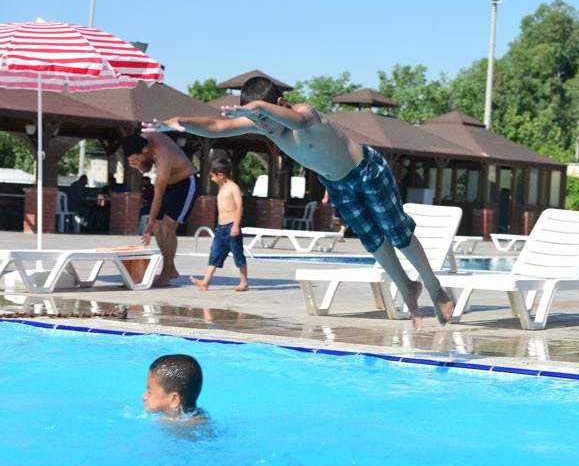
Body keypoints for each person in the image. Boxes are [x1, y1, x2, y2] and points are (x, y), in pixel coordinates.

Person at [143, 76, 453, 330]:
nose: (263, 126)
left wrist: (259, 107)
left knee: (396, 232)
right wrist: (179, 122)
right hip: (337, 184)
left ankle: (433, 285)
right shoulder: (263, 123)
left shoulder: (307, 113)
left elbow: (301, 121)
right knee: (374, 241)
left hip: (367, 171)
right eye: (256, 121)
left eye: (264, 117)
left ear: (279, 105)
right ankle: (407, 286)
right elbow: (216, 127)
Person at [123, 132, 198, 287]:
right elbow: (147, 166)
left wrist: (149, 223)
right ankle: (171, 269)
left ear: (144, 150)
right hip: (170, 184)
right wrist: (139, 165)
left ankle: (166, 272)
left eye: (136, 159)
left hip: (186, 183)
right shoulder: (141, 141)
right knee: (158, 227)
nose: (136, 161)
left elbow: (158, 194)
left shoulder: (162, 156)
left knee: (167, 227)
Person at [190, 157, 249, 291]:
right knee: (214, 254)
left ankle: (244, 282)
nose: (211, 179)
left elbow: (239, 206)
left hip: (231, 226)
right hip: (220, 229)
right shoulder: (221, 188)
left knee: (238, 255)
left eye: (212, 176)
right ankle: (205, 282)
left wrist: (236, 225)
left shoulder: (233, 187)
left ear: (220, 175)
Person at [142, 354, 208, 423]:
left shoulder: (174, 426)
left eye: (149, 392)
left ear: (174, 399)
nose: (144, 397)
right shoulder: (200, 417)